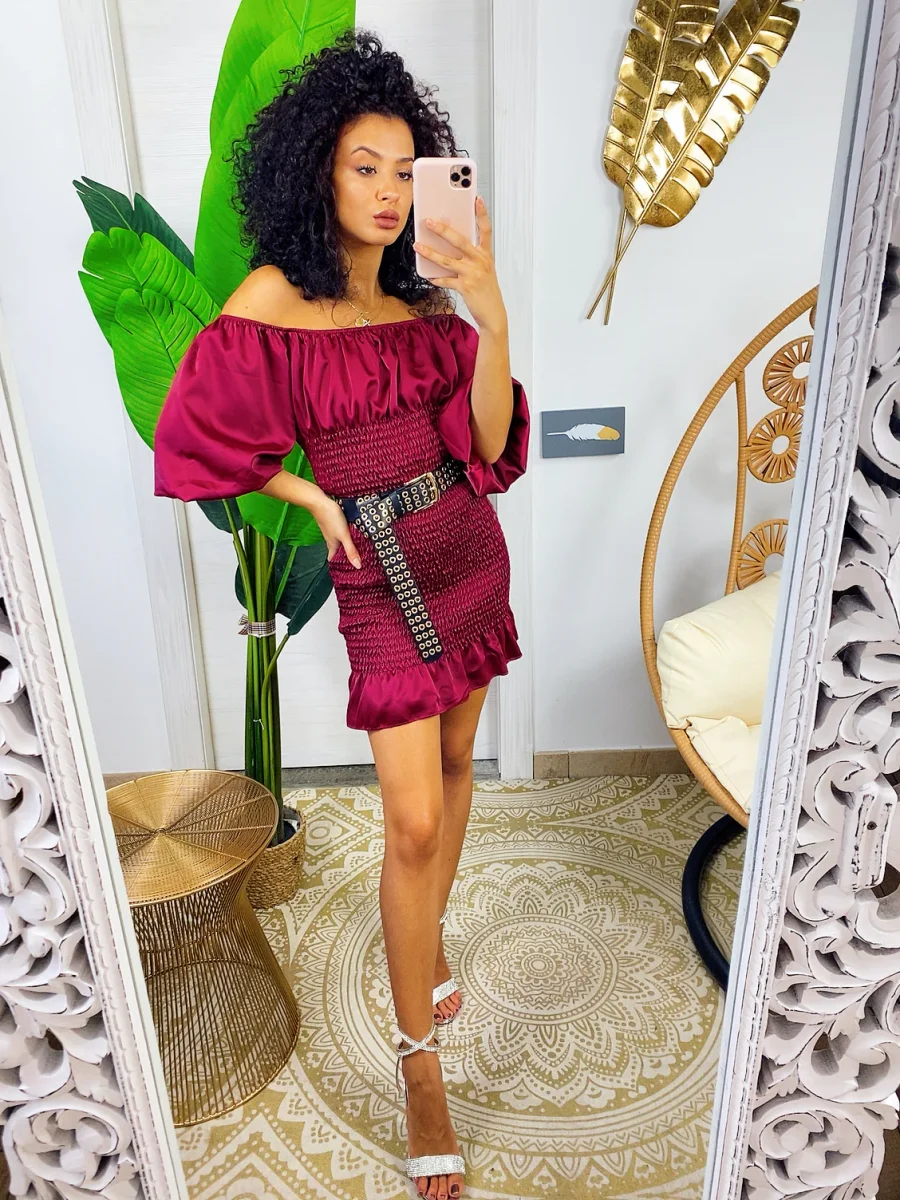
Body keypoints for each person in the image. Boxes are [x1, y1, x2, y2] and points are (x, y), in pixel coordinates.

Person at [153, 28, 529, 1200]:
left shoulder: (425, 300)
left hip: (465, 552)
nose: (386, 191)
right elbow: (193, 433)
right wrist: (312, 494)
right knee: (410, 822)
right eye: (364, 166)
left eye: (404, 170)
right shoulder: (276, 299)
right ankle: (422, 1069)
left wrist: (492, 312)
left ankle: (429, 939)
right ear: (318, 168)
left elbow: (484, 444)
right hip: (379, 580)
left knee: (457, 769)